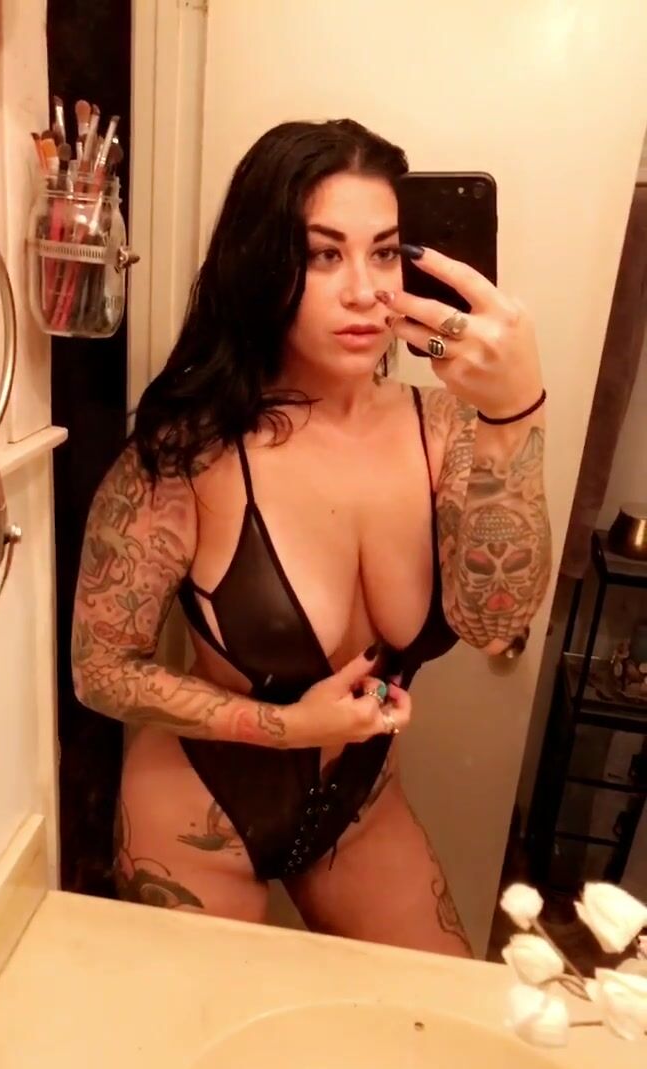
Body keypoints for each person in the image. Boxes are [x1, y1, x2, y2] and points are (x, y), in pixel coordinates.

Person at [71, 118, 551, 957]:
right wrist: (285, 726)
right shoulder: (192, 453)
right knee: (208, 1033)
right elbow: (99, 669)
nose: (365, 290)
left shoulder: (448, 431)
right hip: (197, 812)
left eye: (386, 252)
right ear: (263, 265)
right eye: (324, 255)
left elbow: (494, 621)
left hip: (357, 812)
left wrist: (515, 412)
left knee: (440, 1017)